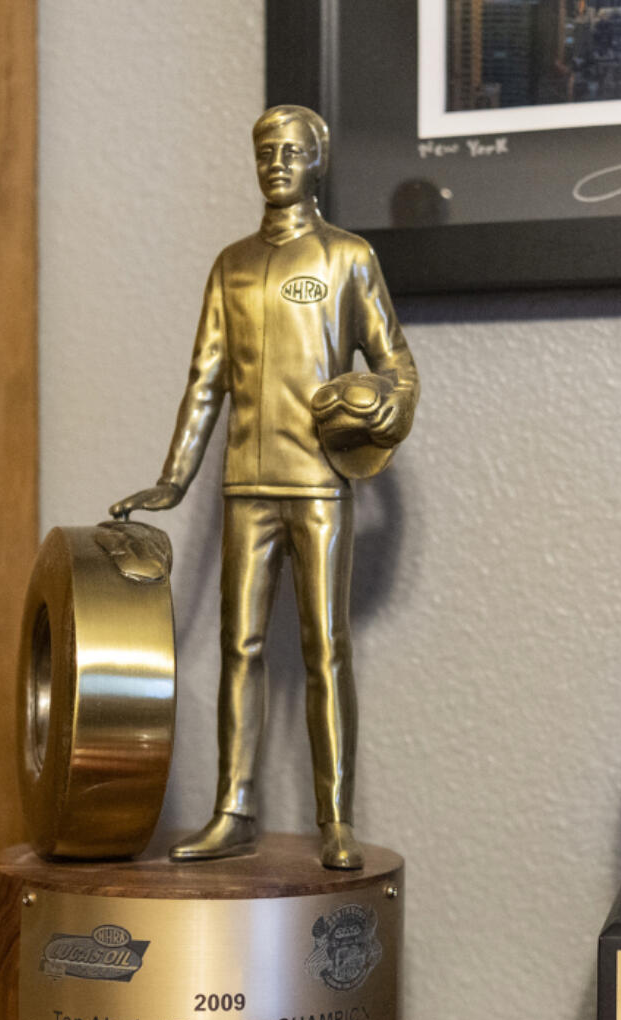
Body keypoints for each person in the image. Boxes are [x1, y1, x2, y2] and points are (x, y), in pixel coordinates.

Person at [111, 106, 419, 868]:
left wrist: (383, 403)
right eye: (264, 151)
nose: (275, 162)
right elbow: (204, 382)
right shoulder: (231, 265)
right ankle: (233, 809)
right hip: (245, 483)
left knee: (326, 646)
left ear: (317, 160)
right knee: (238, 648)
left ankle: (335, 820)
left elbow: (398, 367)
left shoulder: (348, 258)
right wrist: (172, 480)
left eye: (290, 150)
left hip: (319, 485)